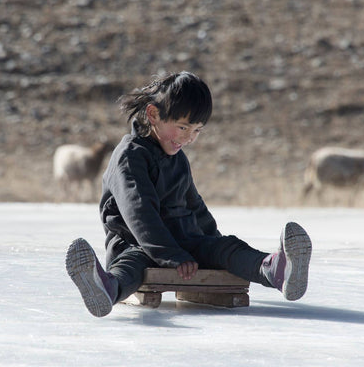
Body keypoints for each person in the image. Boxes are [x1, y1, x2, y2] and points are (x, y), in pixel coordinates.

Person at [65, 71, 312, 317]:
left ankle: (276, 270)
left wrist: (214, 244)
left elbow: (194, 206)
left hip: (185, 247)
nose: (188, 138)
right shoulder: (130, 157)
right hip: (139, 244)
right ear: (153, 115)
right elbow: (139, 213)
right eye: (183, 127)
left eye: (196, 130)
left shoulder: (177, 157)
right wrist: (171, 256)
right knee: (133, 264)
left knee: (227, 247)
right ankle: (107, 287)